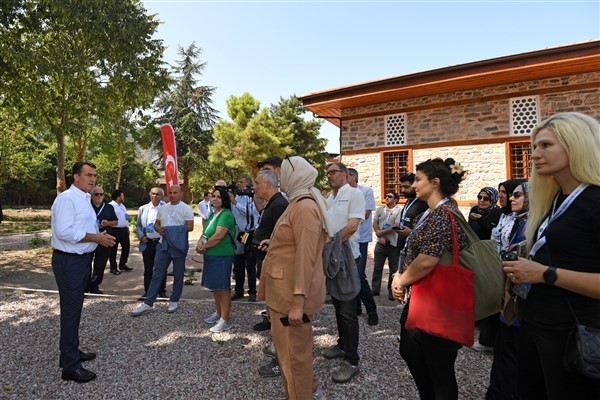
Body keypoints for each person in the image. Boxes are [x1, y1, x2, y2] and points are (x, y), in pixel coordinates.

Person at [503, 112, 600, 399]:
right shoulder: (556, 199)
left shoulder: (595, 201)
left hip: (575, 337)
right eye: (534, 147)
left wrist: (546, 274)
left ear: (576, 145)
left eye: (545, 146)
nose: (535, 154)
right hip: (538, 329)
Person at [391, 157, 468, 400]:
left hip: (437, 301)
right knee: (414, 353)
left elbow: (427, 259)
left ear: (434, 183)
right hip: (424, 297)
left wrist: (401, 280)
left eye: (418, 179)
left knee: (439, 369)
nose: (413, 184)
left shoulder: (443, 214)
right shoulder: (434, 212)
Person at [262, 156, 329, 399]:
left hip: (291, 297)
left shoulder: (304, 207)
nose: (279, 178)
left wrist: (298, 302)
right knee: (288, 356)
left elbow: (306, 257)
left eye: (283, 174)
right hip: (283, 293)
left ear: (295, 176)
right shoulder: (298, 203)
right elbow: (294, 243)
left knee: (294, 359)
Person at [51, 161, 116, 382]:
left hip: (79, 261)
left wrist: (98, 232)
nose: (93, 179)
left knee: (74, 310)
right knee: (71, 313)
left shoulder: (84, 199)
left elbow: (80, 227)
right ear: (75, 177)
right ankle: (70, 368)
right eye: (89, 175)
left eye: (95, 175)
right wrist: (95, 237)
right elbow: (64, 232)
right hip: (70, 262)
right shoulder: (67, 199)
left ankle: (69, 354)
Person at [321, 162, 364, 383]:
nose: (329, 176)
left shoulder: (354, 194)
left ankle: (352, 360)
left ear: (345, 175)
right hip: (333, 257)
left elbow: (352, 226)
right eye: (327, 173)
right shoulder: (330, 197)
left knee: (347, 310)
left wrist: (330, 247)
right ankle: (342, 345)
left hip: (347, 257)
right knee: (338, 305)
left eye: (333, 172)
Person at [486, 181, 528, 400]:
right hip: (509, 295)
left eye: (517, 195)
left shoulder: (531, 224)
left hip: (521, 303)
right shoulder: (521, 223)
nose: (512, 198)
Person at [476, 179, 525, 353]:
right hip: (494, 263)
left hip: (510, 266)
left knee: (506, 302)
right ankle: (489, 339)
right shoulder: (501, 214)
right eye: (503, 192)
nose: (507, 197)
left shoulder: (521, 218)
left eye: (510, 193)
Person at [131, 185, 194, 316]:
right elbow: (156, 223)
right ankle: (148, 302)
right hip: (162, 244)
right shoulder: (163, 208)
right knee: (157, 273)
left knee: (178, 274)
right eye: (170, 193)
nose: (172, 195)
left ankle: (174, 300)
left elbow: (190, 227)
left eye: (175, 192)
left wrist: (171, 231)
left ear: (181, 193)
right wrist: (159, 229)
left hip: (178, 245)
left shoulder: (186, 208)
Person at [253, 170, 289, 377]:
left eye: (257, 183)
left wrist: (271, 246)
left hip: (277, 268)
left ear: (267, 185)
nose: (254, 186)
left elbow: (286, 239)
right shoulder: (273, 203)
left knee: (280, 317)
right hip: (269, 263)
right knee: (274, 315)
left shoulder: (280, 205)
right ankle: (279, 351)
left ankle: (281, 362)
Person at [197, 187, 237, 332]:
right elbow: (205, 233)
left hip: (222, 255)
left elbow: (219, 235)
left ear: (224, 200)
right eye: (213, 196)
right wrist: (199, 244)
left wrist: (204, 246)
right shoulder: (213, 214)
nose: (215, 199)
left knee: (223, 287)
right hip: (212, 255)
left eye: (218, 197)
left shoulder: (226, 215)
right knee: (215, 287)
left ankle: (225, 320)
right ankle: (219, 313)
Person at [347, 168, 378, 325]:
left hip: (360, 239)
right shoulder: (342, 193)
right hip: (347, 239)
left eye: (346, 175)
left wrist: (345, 219)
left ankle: (372, 310)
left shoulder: (365, 191)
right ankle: (356, 308)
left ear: (353, 177)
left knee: (359, 275)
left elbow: (364, 213)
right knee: (350, 275)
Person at [229, 176, 260, 302]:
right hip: (238, 233)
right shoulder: (237, 196)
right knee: (238, 264)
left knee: (250, 264)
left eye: (241, 182)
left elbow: (250, 212)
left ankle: (252, 292)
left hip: (250, 233)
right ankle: (239, 291)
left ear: (248, 184)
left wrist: (235, 202)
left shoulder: (252, 196)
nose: (239, 184)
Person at [136, 187, 167, 300]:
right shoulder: (143, 209)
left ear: (161, 196)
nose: (155, 196)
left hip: (160, 242)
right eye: (153, 193)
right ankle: (148, 291)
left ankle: (161, 291)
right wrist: (142, 236)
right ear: (150, 195)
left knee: (161, 268)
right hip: (147, 243)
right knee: (148, 268)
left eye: (157, 194)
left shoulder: (166, 208)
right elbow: (138, 225)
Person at [87, 186, 118, 294]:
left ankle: (94, 286)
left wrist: (107, 223)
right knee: (86, 263)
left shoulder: (109, 207)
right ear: (91, 196)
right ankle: (85, 286)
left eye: (101, 194)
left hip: (104, 238)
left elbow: (115, 222)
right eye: (96, 194)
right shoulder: (86, 206)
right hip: (89, 238)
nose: (99, 196)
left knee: (100, 264)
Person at [372, 192, 401, 299]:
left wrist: (381, 233)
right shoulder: (380, 209)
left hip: (393, 244)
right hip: (380, 243)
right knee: (377, 267)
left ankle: (391, 292)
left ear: (396, 200)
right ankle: (375, 289)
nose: (387, 198)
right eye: (386, 196)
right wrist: (380, 237)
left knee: (393, 269)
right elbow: (375, 223)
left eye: (390, 197)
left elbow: (396, 225)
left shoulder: (398, 211)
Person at [108, 189, 132, 274]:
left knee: (126, 247)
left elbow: (125, 217)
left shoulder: (122, 205)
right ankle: (113, 268)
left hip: (124, 230)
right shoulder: (110, 206)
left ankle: (123, 264)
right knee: (113, 250)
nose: (123, 197)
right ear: (118, 197)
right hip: (114, 230)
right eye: (122, 195)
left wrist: (127, 227)